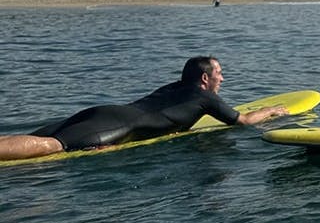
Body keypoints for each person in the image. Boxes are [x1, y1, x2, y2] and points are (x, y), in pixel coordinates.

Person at [0, 57, 289, 161]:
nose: (222, 78)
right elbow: (245, 121)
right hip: (113, 127)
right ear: (205, 79)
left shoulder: (172, 88)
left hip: (102, 112)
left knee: (38, 135)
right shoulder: (206, 97)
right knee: (52, 145)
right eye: (219, 73)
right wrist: (272, 110)